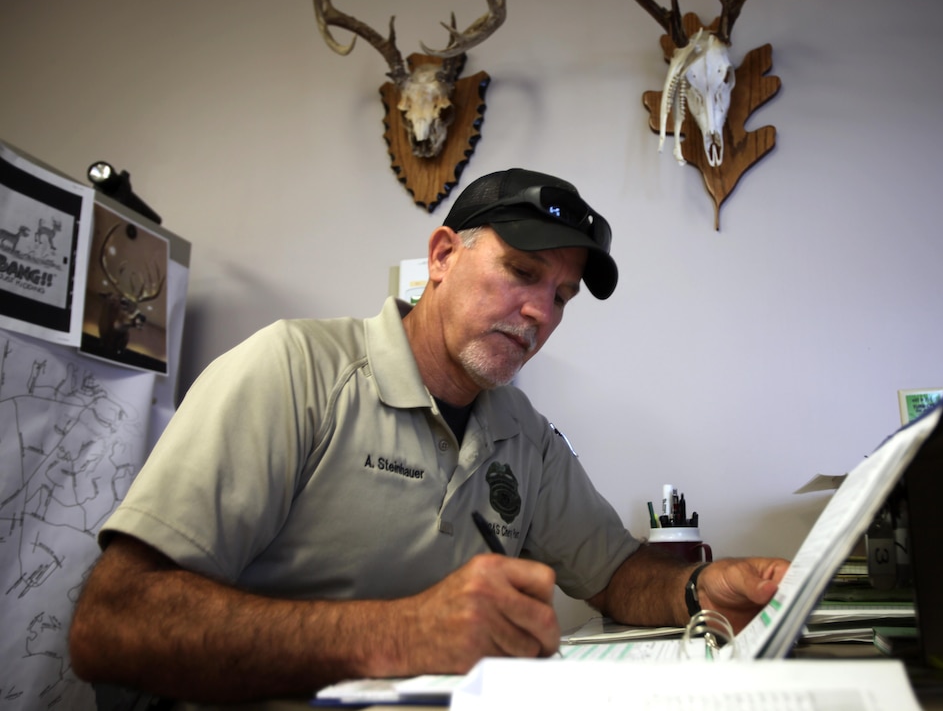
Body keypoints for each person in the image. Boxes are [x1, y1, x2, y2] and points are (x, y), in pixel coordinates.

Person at [69, 168, 788, 706]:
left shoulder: (524, 434)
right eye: (521, 271)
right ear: (442, 255)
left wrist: (699, 588)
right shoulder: (295, 371)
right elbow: (110, 621)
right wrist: (400, 633)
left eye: (561, 296)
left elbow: (615, 573)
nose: (539, 311)